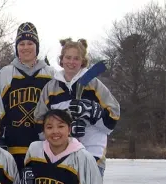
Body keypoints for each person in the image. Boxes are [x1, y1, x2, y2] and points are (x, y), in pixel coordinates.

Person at [34, 38, 120, 176]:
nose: (71, 62)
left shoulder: (94, 85)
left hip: (92, 157)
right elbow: (39, 123)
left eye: (76, 58)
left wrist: (93, 113)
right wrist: (64, 131)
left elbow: (112, 120)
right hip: (60, 157)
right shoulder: (51, 88)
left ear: (82, 61)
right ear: (61, 60)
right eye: (68, 57)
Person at [0, 22, 55, 171]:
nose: (26, 47)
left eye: (30, 43)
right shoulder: (6, 73)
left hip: (44, 147)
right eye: (22, 43)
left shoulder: (50, 74)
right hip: (12, 148)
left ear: (36, 47)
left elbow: (57, 109)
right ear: (17, 47)